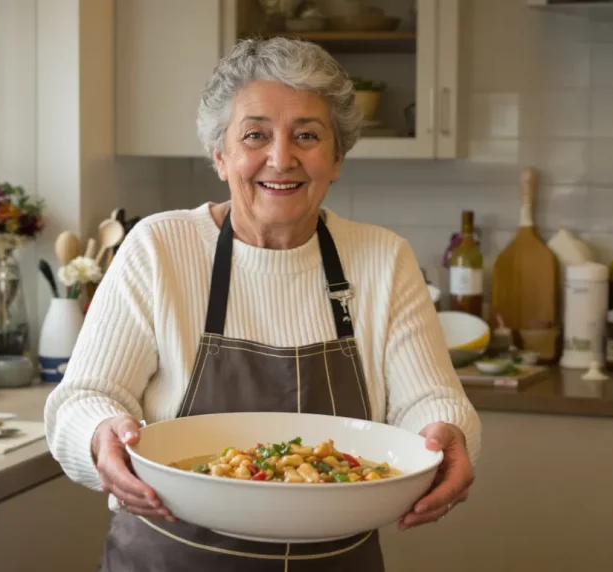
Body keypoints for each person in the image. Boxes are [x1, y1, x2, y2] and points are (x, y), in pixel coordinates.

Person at [44, 36, 481, 572]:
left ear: (337, 156)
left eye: (307, 135)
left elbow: (428, 403)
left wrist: (448, 433)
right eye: (255, 135)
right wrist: (99, 435)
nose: (281, 158)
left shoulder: (383, 258)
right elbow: (84, 397)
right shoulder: (159, 248)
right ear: (220, 155)